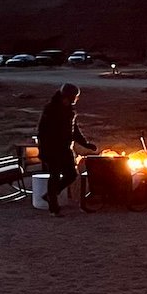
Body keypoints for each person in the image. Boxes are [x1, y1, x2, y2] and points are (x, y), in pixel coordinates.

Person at [36, 83, 95, 214]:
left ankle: (51, 195)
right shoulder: (51, 109)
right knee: (55, 176)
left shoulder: (69, 111)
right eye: (74, 96)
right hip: (52, 149)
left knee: (71, 175)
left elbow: (74, 130)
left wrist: (86, 144)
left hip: (65, 148)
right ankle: (54, 207)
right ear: (68, 96)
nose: (75, 99)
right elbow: (42, 132)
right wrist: (44, 149)